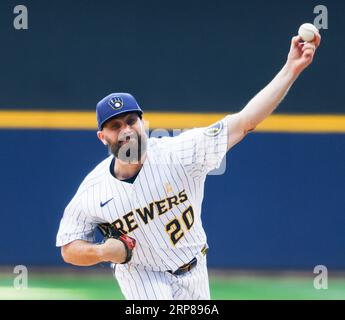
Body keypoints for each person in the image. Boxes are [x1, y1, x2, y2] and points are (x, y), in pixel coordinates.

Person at [56, 32, 321, 299]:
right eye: (115, 126)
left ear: (143, 124)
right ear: (103, 137)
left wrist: (291, 68)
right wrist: (101, 252)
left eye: (131, 121)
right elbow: (69, 247)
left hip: (196, 267)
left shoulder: (180, 153)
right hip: (142, 275)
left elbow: (244, 122)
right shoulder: (94, 189)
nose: (126, 130)